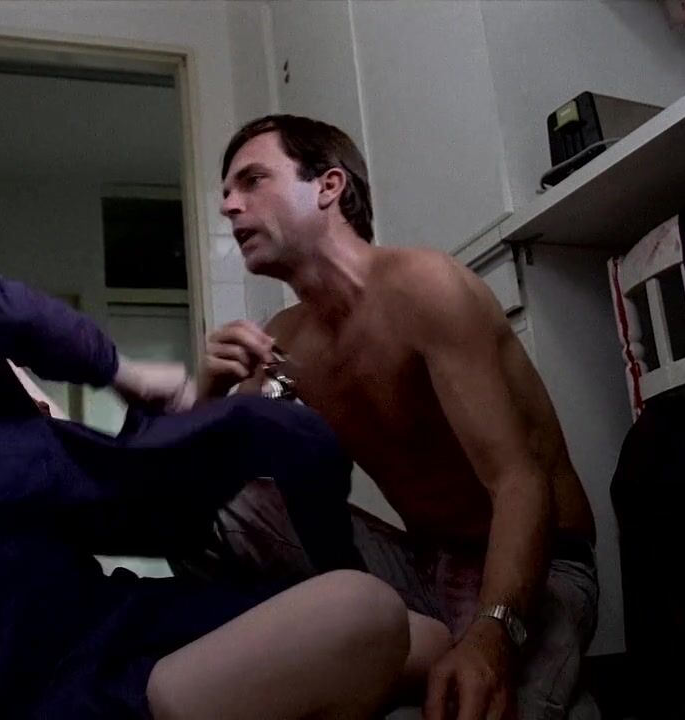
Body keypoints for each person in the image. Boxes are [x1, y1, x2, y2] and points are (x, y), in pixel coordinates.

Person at [0, 128, 454, 719]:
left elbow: (101, 499)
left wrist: (202, 413)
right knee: (359, 613)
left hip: (94, 619)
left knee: (422, 638)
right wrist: (116, 366)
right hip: (3, 674)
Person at [193, 114, 601, 720]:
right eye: (226, 191)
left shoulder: (426, 287)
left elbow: (520, 480)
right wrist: (206, 391)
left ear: (328, 186)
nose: (229, 205)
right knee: (218, 503)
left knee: (473, 701)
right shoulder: (288, 342)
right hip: (421, 562)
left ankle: (531, 672)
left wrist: (491, 637)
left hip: (537, 567)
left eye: (252, 181)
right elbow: (198, 474)